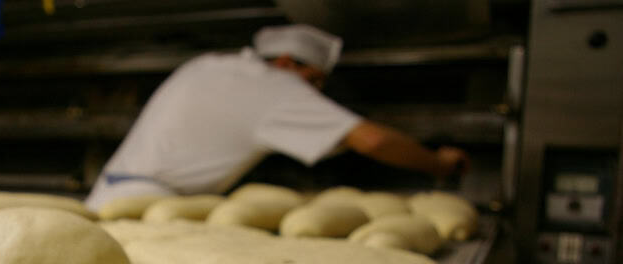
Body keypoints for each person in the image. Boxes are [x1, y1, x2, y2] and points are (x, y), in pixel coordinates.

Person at [84, 24, 470, 211]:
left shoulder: (210, 64)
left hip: (108, 194)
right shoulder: (276, 85)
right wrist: (438, 164)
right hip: (151, 209)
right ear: (286, 62)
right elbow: (373, 140)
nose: (313, 94)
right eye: (313, 81)